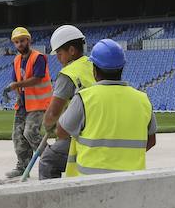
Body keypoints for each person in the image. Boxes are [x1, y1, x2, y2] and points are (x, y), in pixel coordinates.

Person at [57, 39, 156, 176]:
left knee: (48, 161)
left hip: (91, 181)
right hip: (132, 180)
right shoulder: (143, 99)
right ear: (122, 68)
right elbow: (151, 141)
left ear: (94, 69)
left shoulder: (84, 98)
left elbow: (62, 132)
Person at [39, 25, 95, 179]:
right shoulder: (94, 64)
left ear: (71, 50)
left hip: (84, 135)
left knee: (48, 160)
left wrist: (48, 125)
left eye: (59, 52)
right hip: (99, 127)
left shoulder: (68, 74)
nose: (57, 57)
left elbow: (53, 113)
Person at [4, 27, 53, 179]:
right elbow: (16, 80)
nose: (20, 44)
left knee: (30, 132)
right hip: (24, 104)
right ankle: (22, 166)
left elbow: (37, 78)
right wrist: (14, 89)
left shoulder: (38, 57)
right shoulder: (17, 60)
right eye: (17, 42)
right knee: (17, 135)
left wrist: (16, 86)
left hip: (38, 103)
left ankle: (52, 160)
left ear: (29, 41)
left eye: (22, 41)